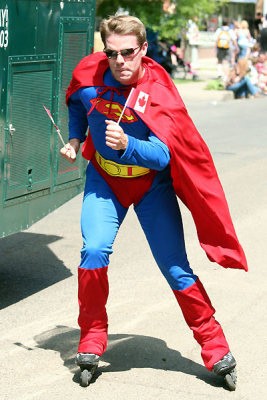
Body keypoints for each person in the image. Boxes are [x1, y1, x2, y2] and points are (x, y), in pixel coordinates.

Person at [60, 15, 247, 389]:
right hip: (105, 180)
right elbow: (77, 104)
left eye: (128, 52)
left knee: (175, 268)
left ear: (143, 50)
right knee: (93, 251)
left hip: (150, 187)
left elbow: (165, 156)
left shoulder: (159, 89)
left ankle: (215, 347)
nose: (120, 61)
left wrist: (129, 145)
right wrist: (77, 140)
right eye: (111, 53)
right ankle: (92, 340)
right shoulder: (89, 75)